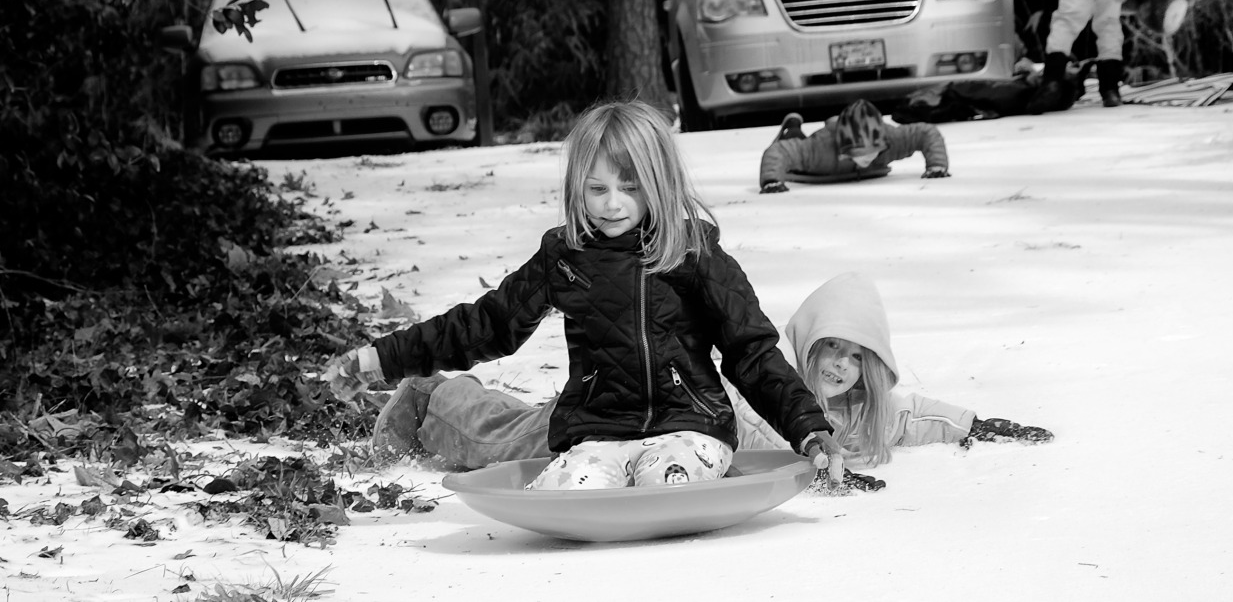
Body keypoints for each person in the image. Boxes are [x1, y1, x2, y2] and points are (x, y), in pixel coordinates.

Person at [321, 99, 845, 490]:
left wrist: (808, 429)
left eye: (630, 187)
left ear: (659, 182)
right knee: (515, 456)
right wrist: (377, 357)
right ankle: (428, 396)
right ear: (578, 187)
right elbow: (489, 324)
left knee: (672, 479)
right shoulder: (566, 256)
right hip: (594, 427)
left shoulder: (693, 254)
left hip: (686, 425)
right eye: (597, 189)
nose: (612, 204)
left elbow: (752, 352)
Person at [367, 273, 1053, 495]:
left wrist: (977, 425)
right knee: (500, 439)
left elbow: (918, 415)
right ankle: (429, 392)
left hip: (641, 452)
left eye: (853, 358)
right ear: (803, 353)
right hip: (617, 416)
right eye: (827, 352)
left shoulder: (870, 413)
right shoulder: (764, 398)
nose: (839, 368)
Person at [758, 99, 950, 194]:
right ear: (845, 147)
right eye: (859, 152)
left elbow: (926, 132)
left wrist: (937, 165)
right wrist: (771, 180)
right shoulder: (820, 148)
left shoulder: (891, 139)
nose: (868, 157)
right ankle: (792, 126)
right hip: (821, 148)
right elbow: (778, 152)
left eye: (872, 150)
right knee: (793, 143)